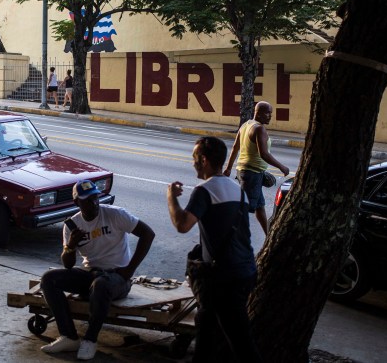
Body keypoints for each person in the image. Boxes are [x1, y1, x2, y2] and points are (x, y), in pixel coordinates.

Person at [166, 136, 263, 363]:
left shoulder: (204, 190)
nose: (192, 163)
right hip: (245, 270)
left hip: (225, 278)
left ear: (204, 160)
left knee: (241, 343)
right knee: (206, 329)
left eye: (194, 158)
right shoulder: (237, 190)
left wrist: (171, 198)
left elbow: (182, 225)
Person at [40, 180, 155, 360]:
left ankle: (90, 340)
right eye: (87, 200)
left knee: (100, 284)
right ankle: (69, 336)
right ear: (77, 202)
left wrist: (129, 270)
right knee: (48, 279)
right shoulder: (72, 225)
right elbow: (68, 264)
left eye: (95, 198)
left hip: (116, 277)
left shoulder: (115, 214)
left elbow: (148, 234)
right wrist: (70, 246)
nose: (94, 203)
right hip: (90, 273)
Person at [223, 101, 289, 234]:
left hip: (246, 171)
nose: (270, 116)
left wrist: (229, 168)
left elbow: (236, 147)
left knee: (260, 207)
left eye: (271, 113)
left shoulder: (246, 125)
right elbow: (264, 154)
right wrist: (282, 167)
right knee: (244, 209)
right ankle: (227, 238)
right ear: (257, 113)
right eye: (267, 113)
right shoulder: (259, 129)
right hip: (251, 174)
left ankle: (268, 235)